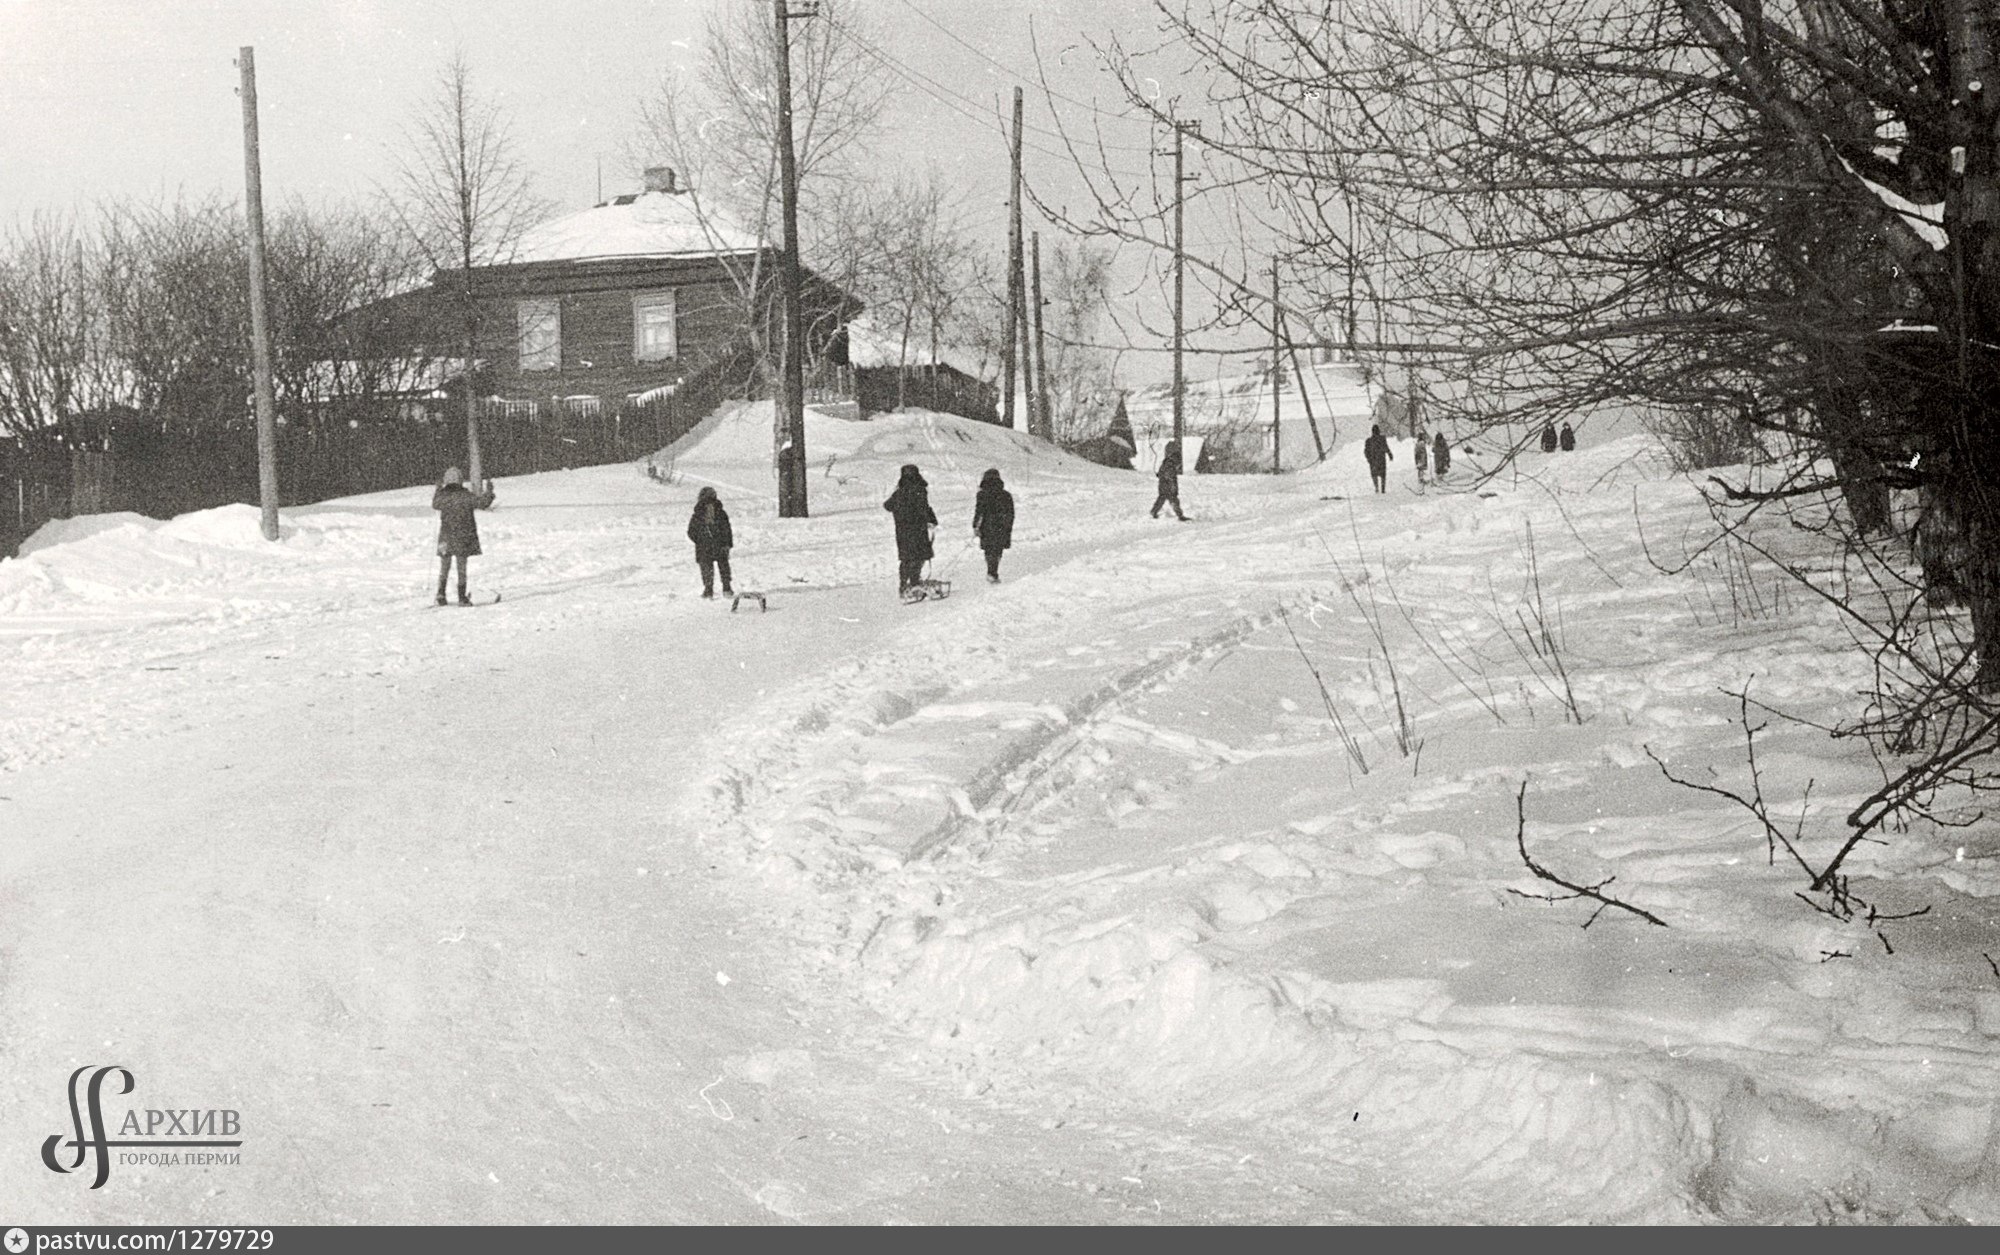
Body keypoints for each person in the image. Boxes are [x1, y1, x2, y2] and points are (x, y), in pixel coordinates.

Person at [432, 466, 496, 606]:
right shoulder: (466, 496)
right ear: (460, 480)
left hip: (446, 536)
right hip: (463, 536)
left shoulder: (442, 496)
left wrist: (437, 489)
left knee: (444, 566)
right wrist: (489, 491)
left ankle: (441, 594)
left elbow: (435, 504)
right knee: (461, 567)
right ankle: (462, 597)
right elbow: (482, 503)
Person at [883, 463, 937, 594]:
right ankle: (914, 581)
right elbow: (924, 507)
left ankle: (904, 584)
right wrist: (931, 519)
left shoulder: (899, 492)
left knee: (907, 557)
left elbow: (887, 506)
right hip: (918, 528)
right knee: (919, 556)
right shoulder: (919, 489)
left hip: (902, 530)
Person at [686, 485, 734, 599]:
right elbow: (727, 529)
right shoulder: (721, 512)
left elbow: (691, 531)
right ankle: (726, 588)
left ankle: (708, 589)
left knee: (706, 568)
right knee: (724, 566)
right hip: (720, 543)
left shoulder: (698, 514)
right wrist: (727, 543)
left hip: (704, 546)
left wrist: (699, 540)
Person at [972, 467, 1015, 584]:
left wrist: (976, 526)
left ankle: (991, 572)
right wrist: (1008, 526)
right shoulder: (1006, 495)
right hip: (1002, 526)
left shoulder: (982, 494)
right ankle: (993, 572)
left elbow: (979, 512)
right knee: (997, 550)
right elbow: (1011, 513)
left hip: (987, 527)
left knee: (989, 550)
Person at [1150, 439, 1188, 520]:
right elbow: (1170, 476)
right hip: (1169, 486)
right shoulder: (1170, 464)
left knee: (1162, 499)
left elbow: (1161, 473)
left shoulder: (1165, 462)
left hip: (1163, 485)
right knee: (1173, 500)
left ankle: (1154, 511)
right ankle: (1180, 515)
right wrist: (1172, 486)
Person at [1363, 424, 1392, 493]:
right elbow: (1386, 447)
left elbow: (1366, 451)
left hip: (1373, 461)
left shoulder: (1369, 441)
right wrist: (1389, 454)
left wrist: (1368, 459)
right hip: (1381, 460)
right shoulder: (1382, 439)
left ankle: (1376, 487)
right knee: (1383, 475)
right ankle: (1383, 489)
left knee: (1374, 475)